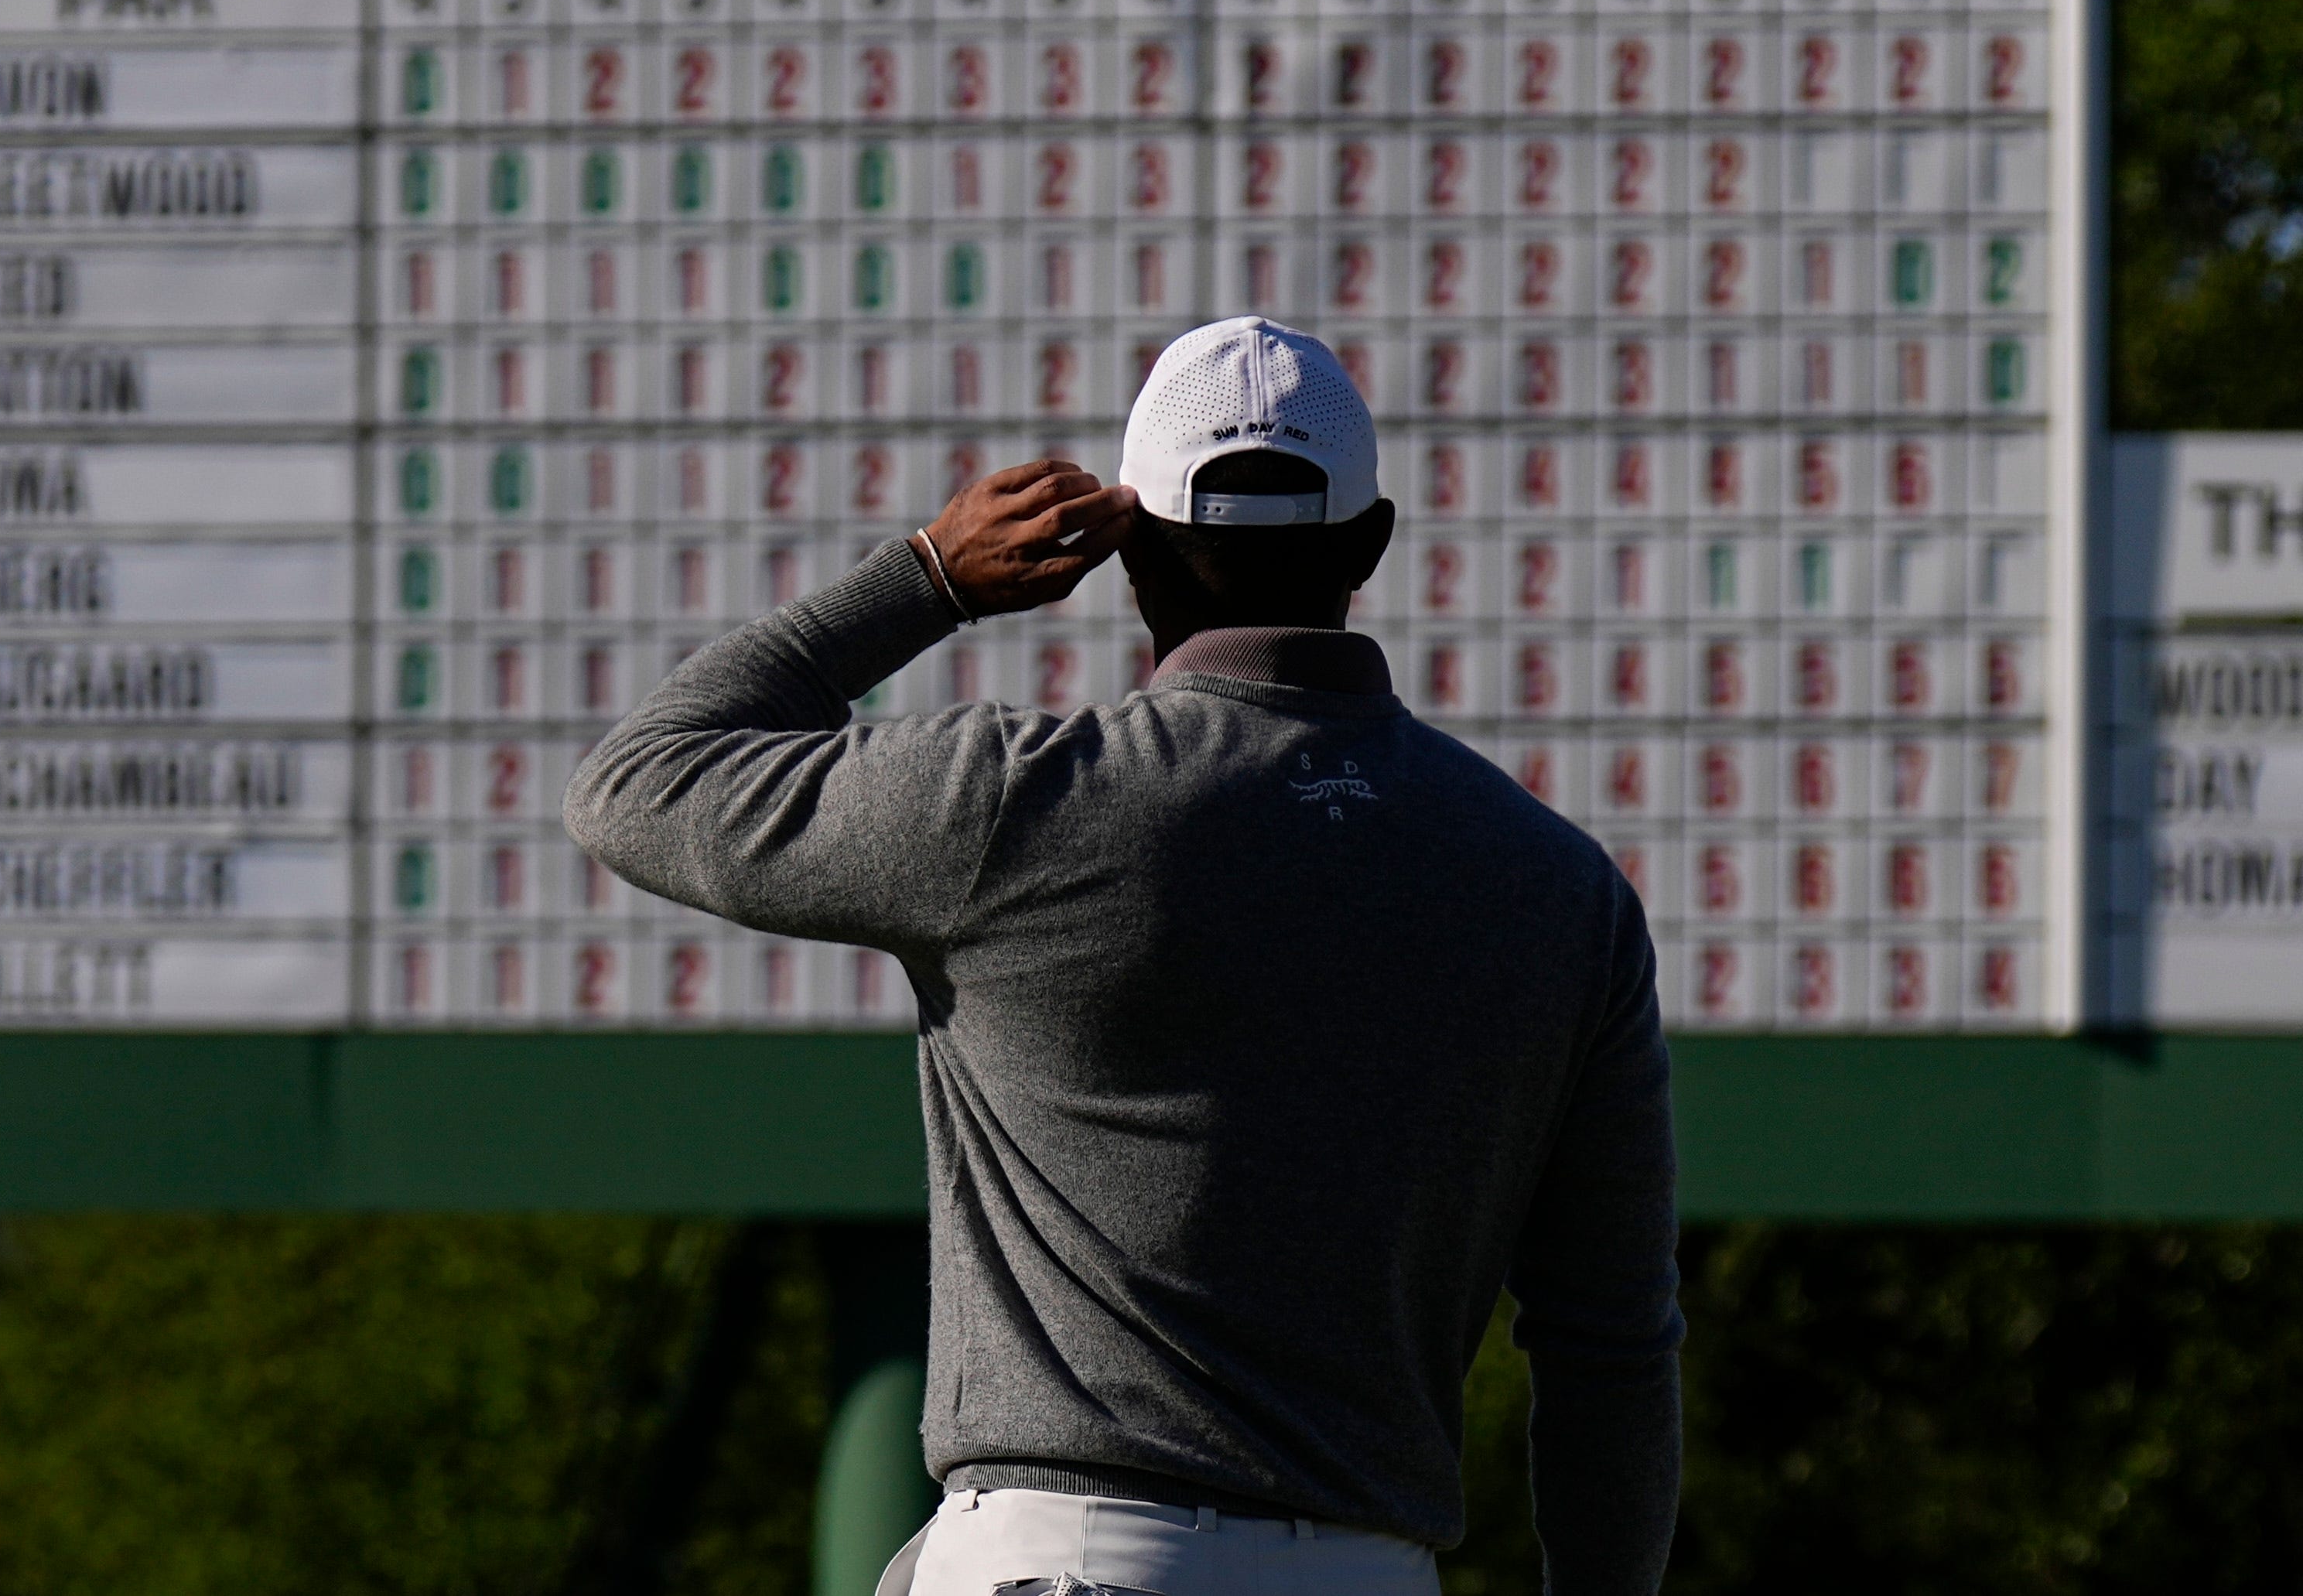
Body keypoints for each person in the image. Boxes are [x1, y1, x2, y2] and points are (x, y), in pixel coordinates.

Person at [565, 316, 1679, 1596]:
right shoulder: (1560, 889)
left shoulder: (1017, 800)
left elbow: (637, 781)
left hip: (1065, 1558)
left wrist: (929, 573)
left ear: (1127, 548)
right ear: (1372, 545)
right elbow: (1611, 1343)